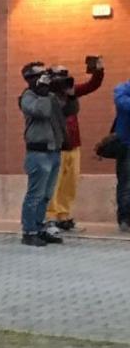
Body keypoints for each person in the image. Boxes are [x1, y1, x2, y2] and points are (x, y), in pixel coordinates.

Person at [46, 60, 104, 232]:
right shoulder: (47, 95)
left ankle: (63, 216)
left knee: (69, 182)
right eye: (60, 76)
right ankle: (50, 217)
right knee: (54, 183)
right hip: (57, 146)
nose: (63, 80)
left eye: (65, 75)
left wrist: (98, 71)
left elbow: (92, 85)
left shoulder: (71, 92)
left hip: (73, 144)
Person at [19, 62, 65, 247]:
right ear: (30, 79)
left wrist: (65, 89)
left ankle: (39, 227)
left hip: (54, 151)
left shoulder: (50, 95)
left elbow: (66, 111)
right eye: (40, 75)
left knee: (46, 194)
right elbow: (43, 112)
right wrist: (44, 92)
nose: (44, 78)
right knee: (35, 194)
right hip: (38, 153)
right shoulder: (27, 97)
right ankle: (29, 231)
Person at [113, 74, 130, 233]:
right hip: (126, 144)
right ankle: (125, 218)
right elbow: (123, 103)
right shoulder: (122, 89)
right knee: (126, 184)